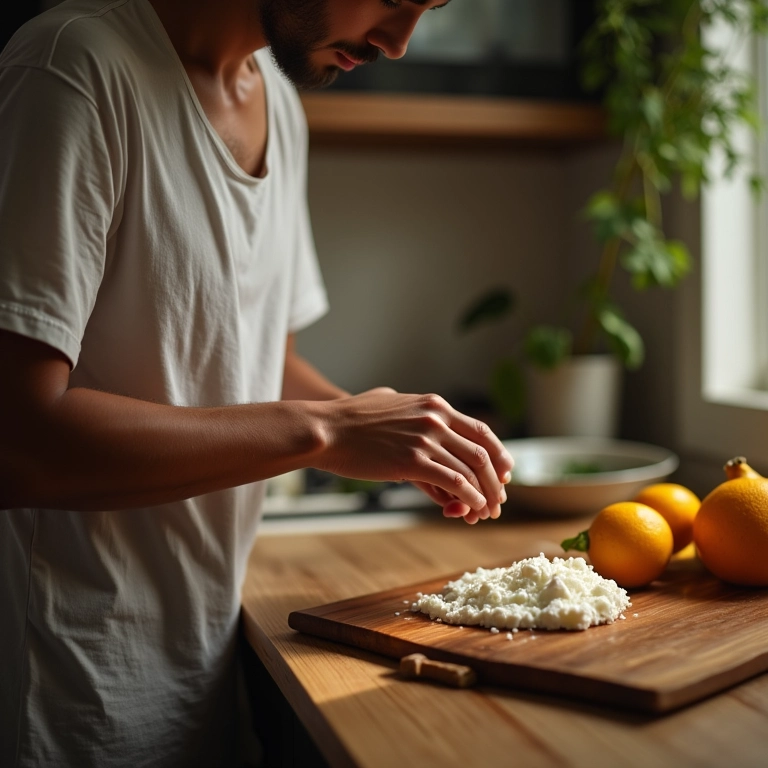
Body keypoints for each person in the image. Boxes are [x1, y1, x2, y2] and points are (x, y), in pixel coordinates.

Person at [0, 0, 514, 765]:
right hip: (72, 689)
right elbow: (19, 441)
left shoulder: (279, 101)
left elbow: (252, 356)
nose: (398, 42)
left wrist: (398, 439)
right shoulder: (75, 68)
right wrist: (330, 429)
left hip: (205, 662)